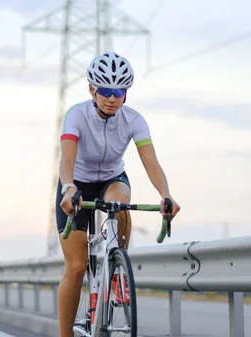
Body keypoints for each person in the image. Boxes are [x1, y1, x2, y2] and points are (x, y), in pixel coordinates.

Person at [54, 51, 180, 337]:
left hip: (112, 178)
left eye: (120, 92)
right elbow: (67, 159)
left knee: (118, 201)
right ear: (91, 90)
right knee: (75, 268)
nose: (113, 98)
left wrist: (165, 194)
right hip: (77, 184)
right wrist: (68, 187)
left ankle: (116, 263)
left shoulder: (134, 120)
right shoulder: (76, 115)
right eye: (106, 91)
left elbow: (151, 162)